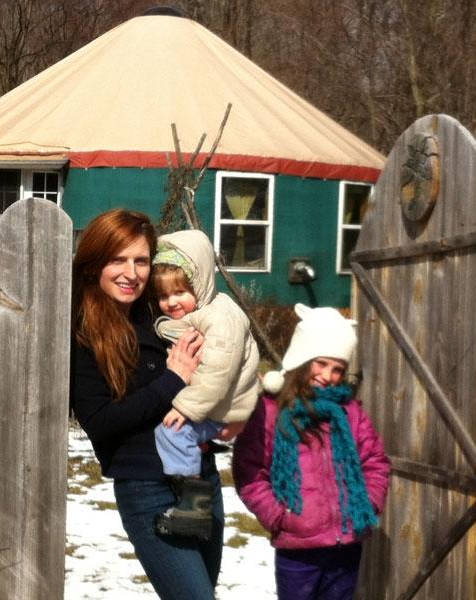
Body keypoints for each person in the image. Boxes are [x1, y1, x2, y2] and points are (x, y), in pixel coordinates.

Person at [70, 209, 224, 600]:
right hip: (147, 487)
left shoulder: (157, 312)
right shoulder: (81, 333)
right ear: (94, 264)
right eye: (118, 260)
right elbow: (101, 421)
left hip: (201, 479)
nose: (131, 273)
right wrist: (173, 380)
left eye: (141, 261)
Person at [232, 304, 390, 600]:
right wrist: (280, 518)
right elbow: (250, 473)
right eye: (321, 363)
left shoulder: (349, 412)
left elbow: (376, 462)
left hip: (347, 544)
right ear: (302, 358)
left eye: (338, 369)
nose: (328, 376)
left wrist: (367, 503)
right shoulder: (269, 412)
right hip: (299, 551)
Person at [150, 229, 260, 540]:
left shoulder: (220, 317)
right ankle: (190, 495)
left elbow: (217, 372)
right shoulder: (201, 314)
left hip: (223, 407)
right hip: (216, 404)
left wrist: (186, 407)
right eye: (162, 296)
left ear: (201, 285)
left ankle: (193, 508)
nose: (171, 302)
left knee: (172, 431)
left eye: (180, 292)